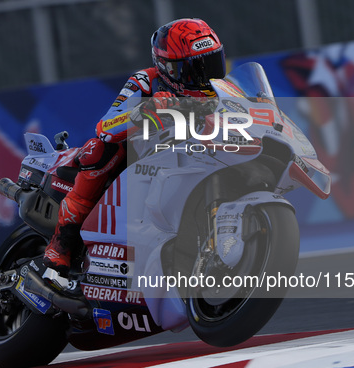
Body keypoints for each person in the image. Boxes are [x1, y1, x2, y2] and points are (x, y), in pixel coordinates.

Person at [42, 18, 227, 288]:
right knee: (98, 150)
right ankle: (61, 245)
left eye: (212, 64)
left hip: (188, 160)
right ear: (169, 68)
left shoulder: (221, 90)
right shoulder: (145, 81)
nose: (205, 76)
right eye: (195, 69)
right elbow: (105, 125)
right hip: (139, 160)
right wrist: (144, 111)